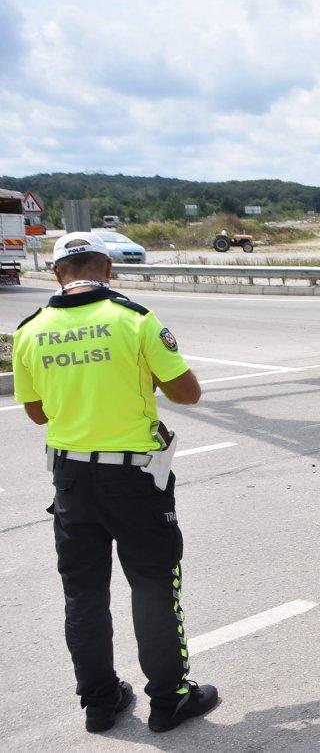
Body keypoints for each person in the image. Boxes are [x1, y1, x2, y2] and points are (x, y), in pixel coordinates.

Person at [11, 232, 219, 734]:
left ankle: (100, 702)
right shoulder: (135, 319)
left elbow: (38, 413)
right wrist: (142, 376)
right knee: (152, 585)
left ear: (57, 272)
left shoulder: (30, 329)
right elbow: (188, 394)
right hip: (134, 477)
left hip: (70, 478)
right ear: (107, 267)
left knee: (83, 593)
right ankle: (169, 699)